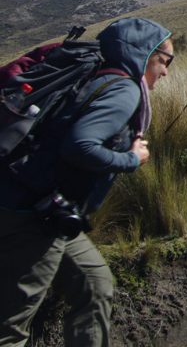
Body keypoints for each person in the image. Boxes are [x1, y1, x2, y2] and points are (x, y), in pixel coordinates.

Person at [0, 17, 173, 347]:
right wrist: (130, 160)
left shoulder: (96, 72)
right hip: (30, 216)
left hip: (47, 208)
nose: (165, 72)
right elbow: (80, 145)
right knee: (11, 327)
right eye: (164, 61)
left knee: (94, 284)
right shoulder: (123, 89)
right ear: (145, 55)